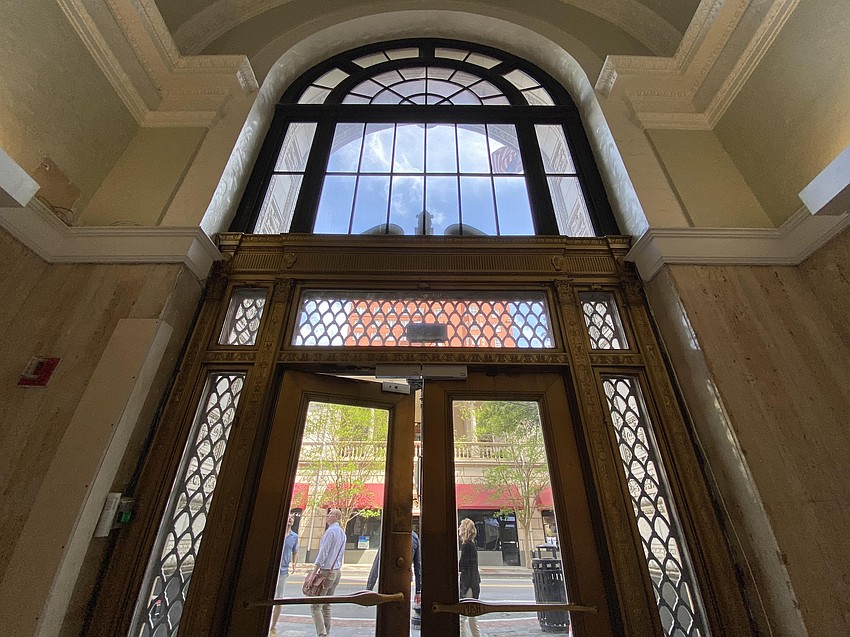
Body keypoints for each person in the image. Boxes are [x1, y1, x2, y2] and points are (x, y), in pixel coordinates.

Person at [310, 508, 346, 637]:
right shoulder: (342, 533)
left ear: (336, 517)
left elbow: (323, 553)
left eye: (330, 514)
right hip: (336, 571)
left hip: (326, 572)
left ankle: (322, 634)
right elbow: (340, 554)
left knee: (315, 606)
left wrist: (314, 571)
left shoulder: (330, 532)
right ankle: (327, 632)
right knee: (327, 605)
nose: (327, 516)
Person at [365, 530, 422, 605]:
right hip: (404, 580)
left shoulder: (388, 536)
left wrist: (369, 588)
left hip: (389, 579)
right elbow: (418, 566)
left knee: (387, 606)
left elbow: (377, 563)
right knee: (402, 605)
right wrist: (418, 591)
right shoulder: (413, 537)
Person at [269, 513, 298, 637]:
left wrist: (294, 565)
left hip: (283, 571)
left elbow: (295, 551)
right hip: (272, 570)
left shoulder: (294, 537)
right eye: (288, 517)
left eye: (292, 518)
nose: (290, 519)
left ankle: (273, 626)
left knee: (279, 599)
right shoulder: (277, 533)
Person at [458, 518, 482, 637]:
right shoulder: (472, 545)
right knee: (472, 618)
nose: (459, 529)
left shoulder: (467, 546)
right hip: (473, 584)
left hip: (468, 585)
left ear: (465, 530)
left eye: (461, 527)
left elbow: (462, 566)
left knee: (462, 618)